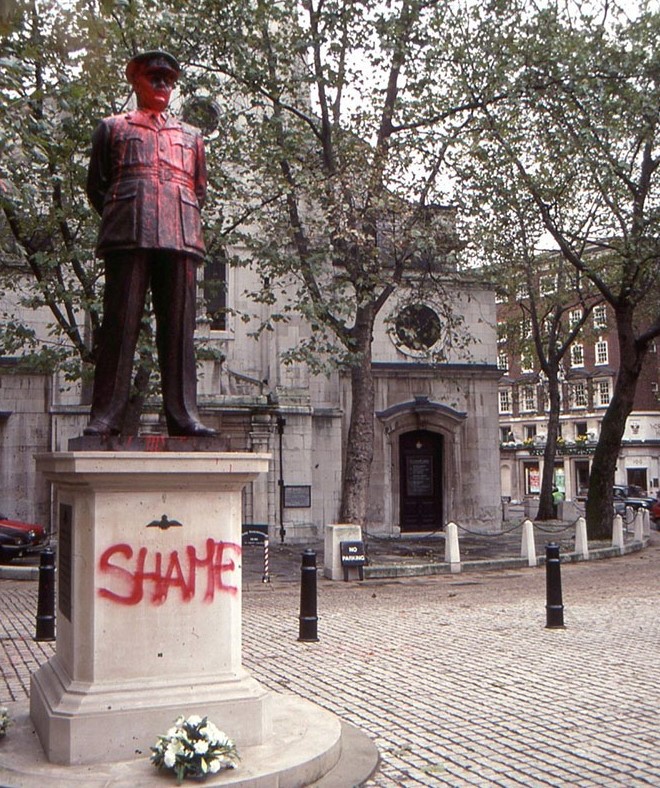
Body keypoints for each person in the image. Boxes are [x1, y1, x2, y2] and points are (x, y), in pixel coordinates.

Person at [84, 50, 215, 437]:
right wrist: (133, 209)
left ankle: (183, 415)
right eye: (154, 77)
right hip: (129, 233)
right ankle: (106, 414)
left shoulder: (192, 137)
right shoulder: (112, 128)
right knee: (119, 326)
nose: (162, 85)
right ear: (135, 80)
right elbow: (98, 186)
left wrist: (171, 213)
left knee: (179, 330)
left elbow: (199, 189)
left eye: (168, 80)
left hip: (180, 234)